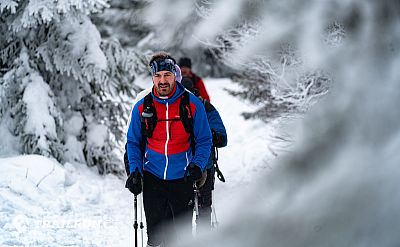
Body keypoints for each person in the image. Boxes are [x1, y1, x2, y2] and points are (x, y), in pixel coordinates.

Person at [125, 52, 212, 247]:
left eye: (167, 75)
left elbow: (204, 140)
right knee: (155, 238)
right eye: (158, 76)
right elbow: (133, 143)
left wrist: (197, 165)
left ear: (175, 75)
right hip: (153, 178)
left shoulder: (191, 104)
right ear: (152, 78)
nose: (162, 80)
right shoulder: (142, 106)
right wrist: (135, 172)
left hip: (183, 177)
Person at [180, 77, 227, 232]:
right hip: (181, 167)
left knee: (204, 208)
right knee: (184, 213)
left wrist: (212, 135)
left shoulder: (206, 108)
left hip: (204, 166)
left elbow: (222, 137)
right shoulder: (172, 107)